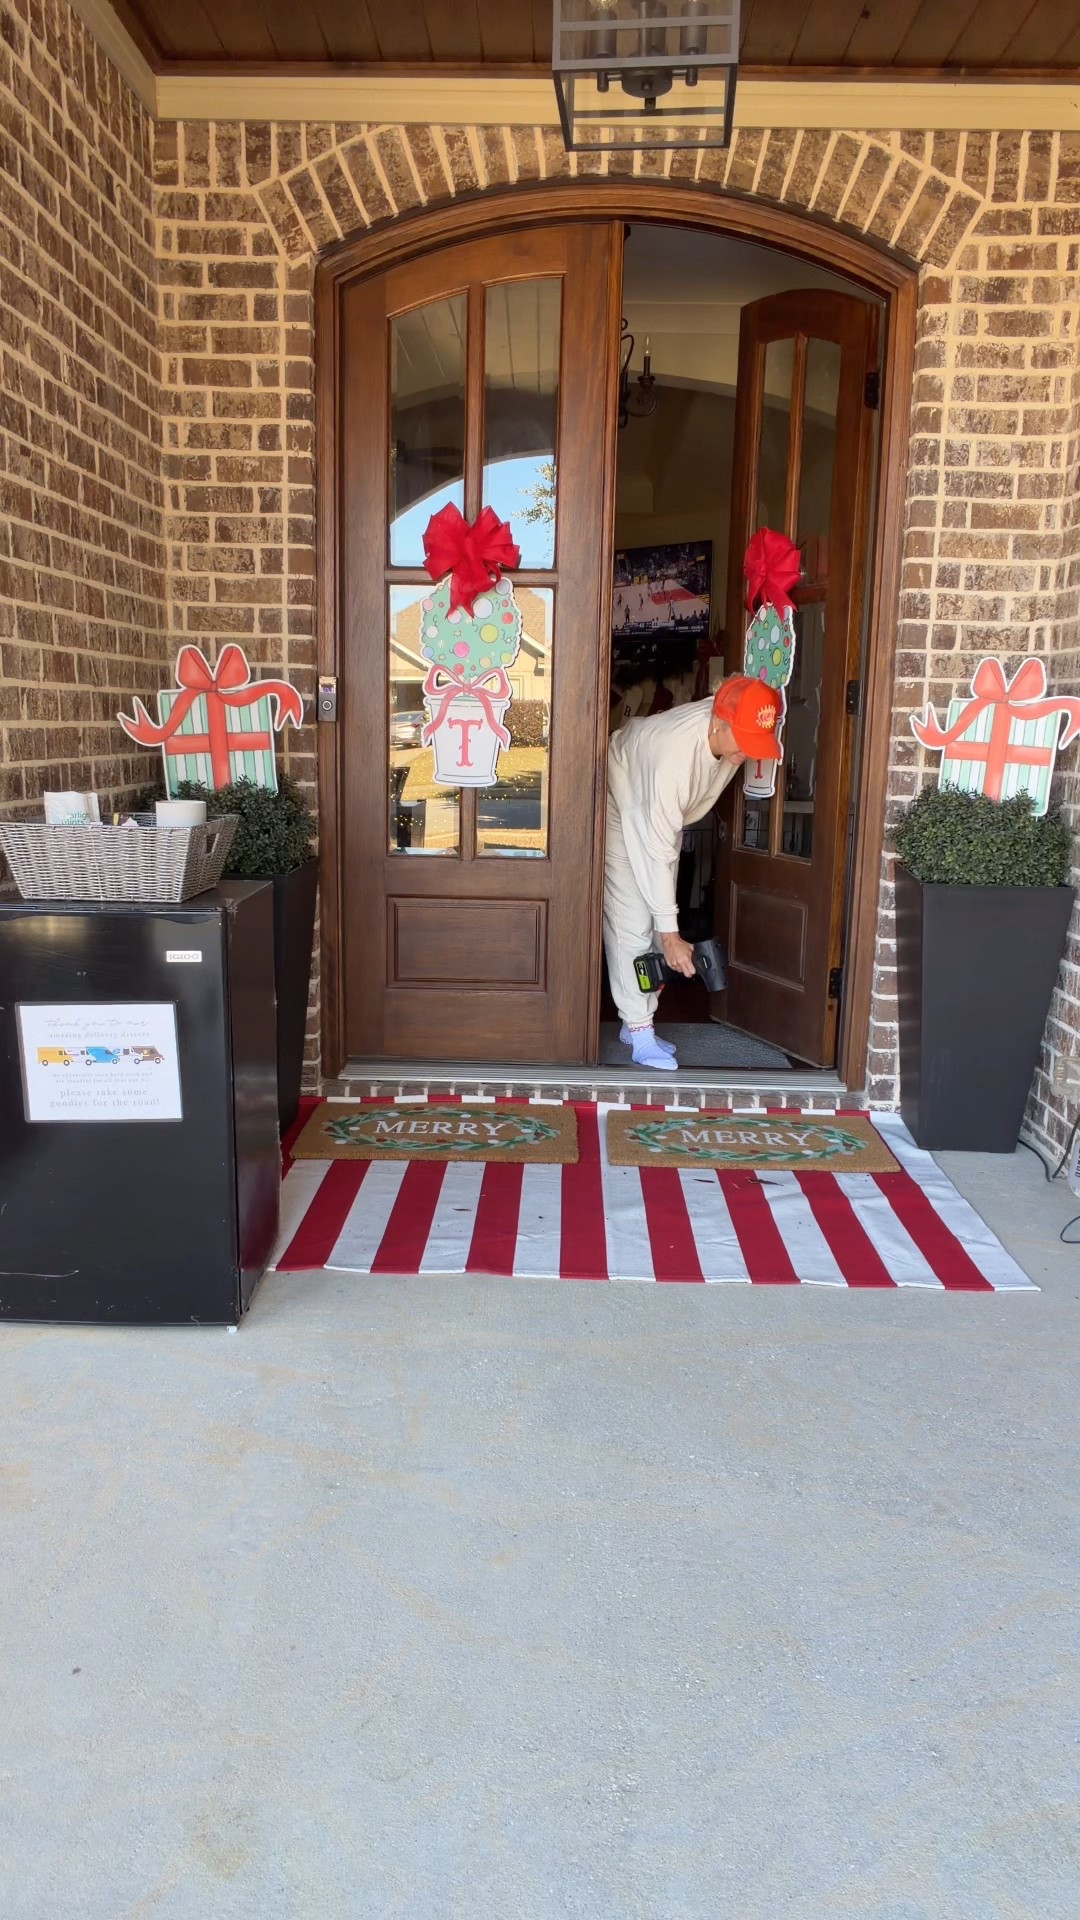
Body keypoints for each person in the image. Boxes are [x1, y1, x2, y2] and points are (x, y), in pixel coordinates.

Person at [604, 674, 783, 1072]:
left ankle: (634, 1024)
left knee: (656, 919)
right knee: (633, 920)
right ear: (717, 723)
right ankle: (639, 1030)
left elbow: (666, 840)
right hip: (622, 801)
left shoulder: (727, 729)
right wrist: (671, 935)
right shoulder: (672, 755)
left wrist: (666, 926)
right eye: (746, 741)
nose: (749, 754)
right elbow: (655, 846)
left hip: (657, 813)